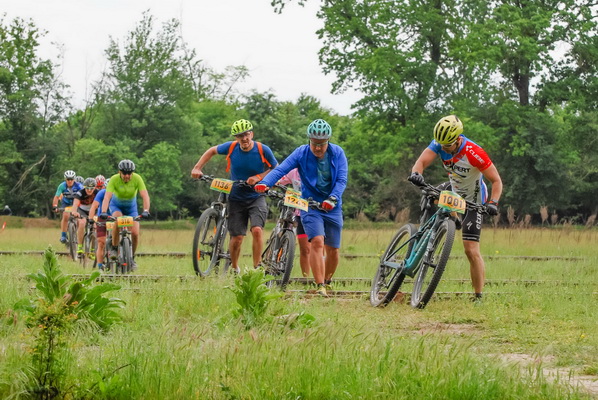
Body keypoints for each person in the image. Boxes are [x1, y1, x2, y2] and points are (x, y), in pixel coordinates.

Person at [408, 115, 503, 302]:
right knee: (429, 195)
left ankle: (478, 296)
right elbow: (421, 162)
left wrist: (493, 202)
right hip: (453, 189)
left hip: (473, 199)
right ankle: (425, 233)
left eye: (447, 146)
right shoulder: (440, 142)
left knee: (471, 250)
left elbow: (496, 181)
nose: (443, 149)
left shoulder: (474, 152)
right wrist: (416, 173)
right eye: (441, 145)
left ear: (458, 139)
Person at [255, 119, 348, 296]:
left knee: (333, 249)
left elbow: (342, 180)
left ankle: (327, 282)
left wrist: (333, 198)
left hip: (332, 205)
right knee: (317, 241)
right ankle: (320, 285)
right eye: (315, 144)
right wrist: (265, 183)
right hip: (310, 204)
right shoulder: (301, 153)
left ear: (328, 141)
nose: (318, 148)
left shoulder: (337, 153)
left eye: (322, 144)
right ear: (309, 141)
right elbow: (281, 170)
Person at [190, 119, 278, 274]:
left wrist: (259, 177)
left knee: (257, 230)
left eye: (246, 134)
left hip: (256, 196)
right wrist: (197, 168)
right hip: (236, 197)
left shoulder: (262, 149)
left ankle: (257, 268)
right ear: (236, 138)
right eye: (240, 136)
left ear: (251, 134)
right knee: (237, 238)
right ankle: (234, 267)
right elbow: (211, 150)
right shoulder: (231, 147)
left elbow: (275, 168)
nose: (244, 138)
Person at [99, 160, 150, 270]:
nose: (127, 176)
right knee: (118, 220)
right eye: (124, 173)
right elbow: (107, 197)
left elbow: (145, 195)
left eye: (129, 173)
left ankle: (132, 258)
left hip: (131, 208)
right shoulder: (114, 179)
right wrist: (103, 211)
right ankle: (114, 247)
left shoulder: (137, 178)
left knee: (135, 233)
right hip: (116, 206)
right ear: (119, 172)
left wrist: (146, 210)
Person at [277, 168, 311, 278]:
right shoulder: (293, 172)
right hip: (300, 213)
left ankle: (321, 279)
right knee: (305, 249)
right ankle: (306, 278)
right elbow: (280, 180)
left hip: (316, 213)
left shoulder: (318, 171)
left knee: (318, 246)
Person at [52, 170, 84, 243]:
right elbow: (56, 197)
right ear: (65, 179)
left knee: (79, 218)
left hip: (77, 203)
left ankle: (77, 233)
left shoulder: (79, 186)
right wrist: (55, 206)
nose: (70, 181)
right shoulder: (62, 186)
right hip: (66, 203)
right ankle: (63, 235)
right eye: (68, 179)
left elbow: (84, 196)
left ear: (74, 179)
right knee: (66, 215)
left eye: (71, 179)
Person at [72, 177, 99, 257]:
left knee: (95, 227)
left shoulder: (98, 193)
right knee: (82, 223)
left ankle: (93, 250)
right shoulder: (80, 193)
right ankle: (80, 247)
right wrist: (74, 211)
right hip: (82, 210)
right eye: (87, 188)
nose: (89, 190)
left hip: (94, 211)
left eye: (91, 188)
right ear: (84, 187)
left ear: (95, 188)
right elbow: (75, 204)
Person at [89, 179, 110, 271]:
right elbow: (94, 206)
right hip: (102, 217)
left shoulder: (119, 194)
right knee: (101, 242)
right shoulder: (101, 193)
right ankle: (100, 266)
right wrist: (91, 219)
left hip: (115, 217)